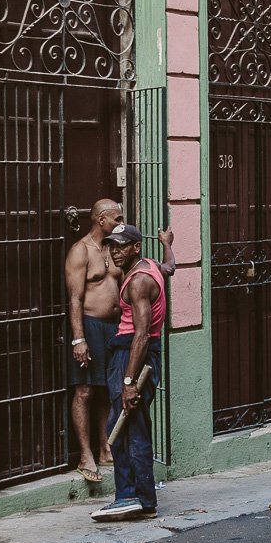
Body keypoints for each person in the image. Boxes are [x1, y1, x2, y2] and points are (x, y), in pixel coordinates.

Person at [65, 200, 174, 483]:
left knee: (107, 391)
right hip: (91, 326)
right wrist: (79, 338)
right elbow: (75, 299)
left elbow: (166, 269)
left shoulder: (117, 251)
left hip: (117, 328)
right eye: (117, 218)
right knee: (85, 390)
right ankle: (86, 454)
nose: (120, 222)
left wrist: (166, 244)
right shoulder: (80, 251)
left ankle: (105, 448)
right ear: (101, 219)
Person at [91, 223, 167, 521]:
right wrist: (168, 243)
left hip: (131, 356)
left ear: (136, 247)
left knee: (123, 428)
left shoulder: (138, 282)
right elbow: (171, 266)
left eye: (122, 245)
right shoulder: (152, 265)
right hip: (136, 354)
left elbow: (142, 333)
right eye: (111, 245)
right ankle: (142, 500)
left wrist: (129, 381)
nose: (115, 251)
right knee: (129, 425)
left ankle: (130, 496)